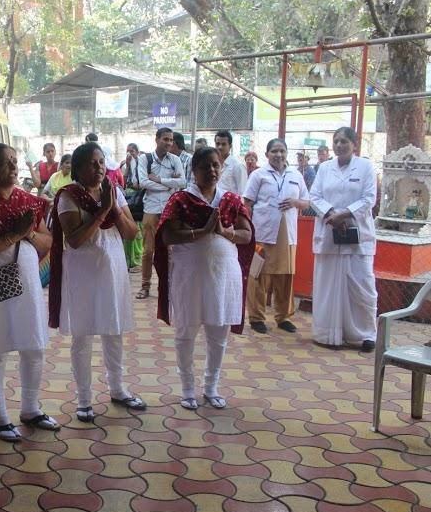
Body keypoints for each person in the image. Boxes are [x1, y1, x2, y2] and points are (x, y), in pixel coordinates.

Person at [0, 143, 57, 441]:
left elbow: (46, 242)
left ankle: (30, 408)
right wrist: (15, 234)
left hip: (27, 287)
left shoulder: (29, 202)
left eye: (15, 161)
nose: (14, 167)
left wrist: (27, 232)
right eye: (6, 163)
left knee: (34, 347)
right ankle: (1, 418)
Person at [48, 142, 145, 423]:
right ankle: (84, 399)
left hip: (112, 271)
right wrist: (102, 212)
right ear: (78, 168)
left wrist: (112, 209)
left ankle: (118, 389)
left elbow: (130, 232)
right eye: (92, 163)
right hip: (83, 274)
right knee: (83, 336)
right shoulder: (69, 196)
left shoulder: (113, 192)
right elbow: (75, 241)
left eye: (102, 161)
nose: (100, 167)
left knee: (113, 332)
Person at [154, 147, 254, 410]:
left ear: (222, 168)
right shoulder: (181, 200)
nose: (211, 171)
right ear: (194, 170)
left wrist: (224, 232)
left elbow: (246, 235)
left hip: (223, 274)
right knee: (186, 331)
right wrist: (200, 232)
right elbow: (167, 236)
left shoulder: (231, 200)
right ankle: (188, 388)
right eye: (205, 166)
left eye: (216, 166)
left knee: (218, 332)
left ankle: (211, 387)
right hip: (189, 274)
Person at [309, 127, 377, 352]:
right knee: (327, 285)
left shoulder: (366, 167)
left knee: (362, 284)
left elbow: (369, 198)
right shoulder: (324, 168)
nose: (339, 145)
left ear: (355, 144)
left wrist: (345, 214)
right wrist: (331, 215)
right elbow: (314, 196)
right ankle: (328, 333)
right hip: (329, 233)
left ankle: (366, 335)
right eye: (336, 141)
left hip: (357, 235)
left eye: (344, 141)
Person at [243, 138, 310, 334]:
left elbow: (306, 202)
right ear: (267, 154)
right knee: (259, 275)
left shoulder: (296, 175)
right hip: (263, 231)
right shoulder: (258, 175)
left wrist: (295, 202)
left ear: (286, 153)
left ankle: (284, 317)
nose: (278, 155)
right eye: (274, 151)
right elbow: (246, 202)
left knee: (285, 275)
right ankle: (256, 317)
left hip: (288, 233)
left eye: (282, 151)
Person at [137, 127, 187, 299]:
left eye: (171, 140)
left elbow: (182, 181)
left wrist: (160, 180)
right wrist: (169, 185)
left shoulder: (175, 159)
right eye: (165, 139)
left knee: (170, 250)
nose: (168, 143)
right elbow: (143, 183)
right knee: (148, 250)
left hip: (169, 209)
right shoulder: (145, 158)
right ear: (157, 139)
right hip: (150, 208)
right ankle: (145, 285)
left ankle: (167, 286)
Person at [122, 143, 144, 273]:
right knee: (128, 228)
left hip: (139, 203)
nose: (130, 154)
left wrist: (134, 186)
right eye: (128, 151)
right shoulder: (127, 165)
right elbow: (124, 182)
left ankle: (137, 262)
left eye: (132, 151)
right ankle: (129, 261)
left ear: (137, 152)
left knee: (138, 232)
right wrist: (128, 165)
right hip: (130, 202)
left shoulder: (142, 164)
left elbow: (142, 184)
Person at [214, 130, 247, 196]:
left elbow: (243, 193)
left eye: (224, 144)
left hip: (231, 205)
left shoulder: (237, 166)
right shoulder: (213, 165)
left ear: (230, 146)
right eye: (217, 144)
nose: (220, 147)